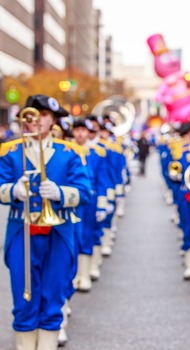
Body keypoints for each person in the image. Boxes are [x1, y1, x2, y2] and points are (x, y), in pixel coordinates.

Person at [0, 94, 91, 349]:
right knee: (24, 298)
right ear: (25, 120)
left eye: (45, 116)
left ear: (53, 120)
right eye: (33, 116)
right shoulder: (11, 152)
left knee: (53, 296)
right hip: (22, 231)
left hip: (59, 231)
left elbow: (85, 192)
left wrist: (60, 193)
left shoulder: (70, 153)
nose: (37, 121)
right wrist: (12, 190)